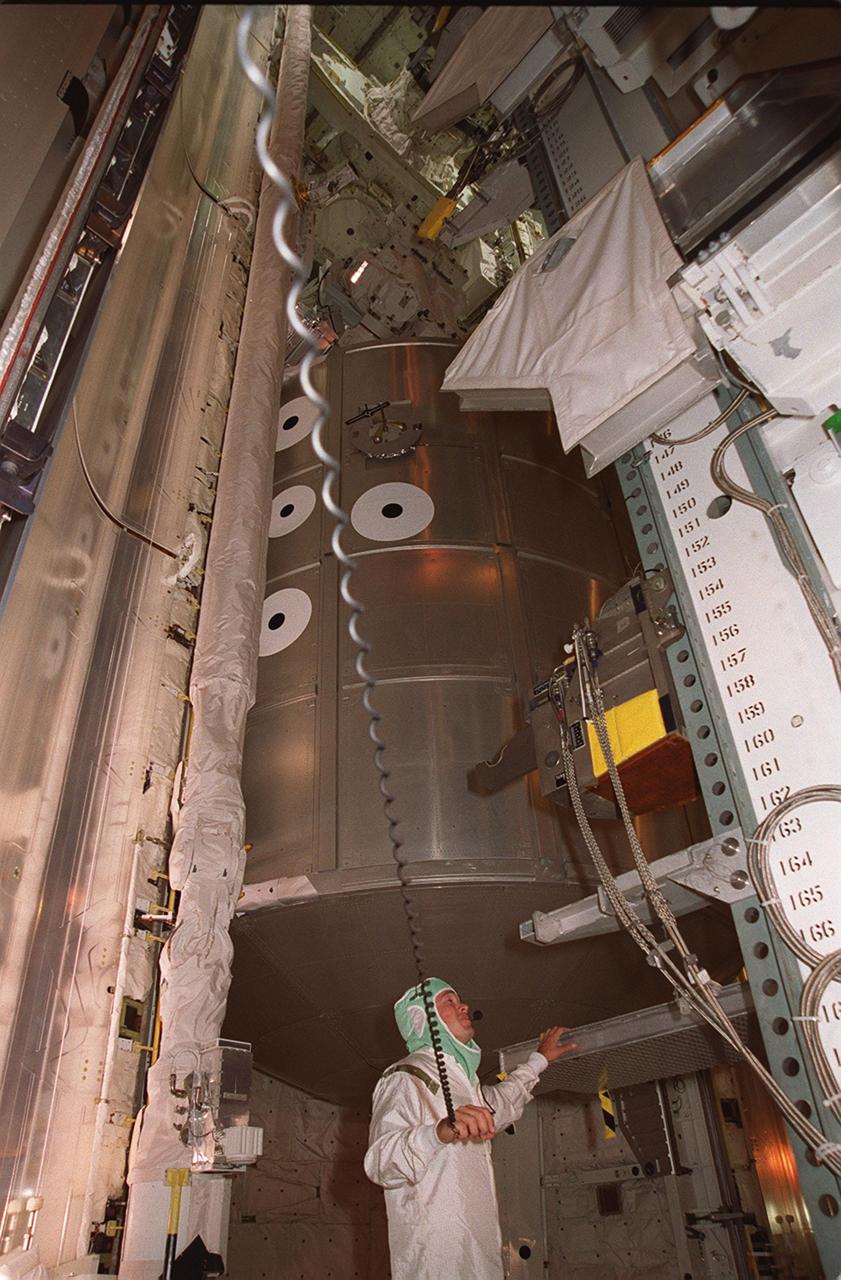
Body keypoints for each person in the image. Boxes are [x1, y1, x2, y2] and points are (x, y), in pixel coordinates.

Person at [364, 977, 576, 1279]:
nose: (463, 1005)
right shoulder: (404, 1076)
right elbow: (380, 1163)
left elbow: (502, 1102)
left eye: (459, 999)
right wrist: (439, 1132)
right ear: (423, 1019)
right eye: (448, 1001)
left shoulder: (466, 1082)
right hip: (436, 1266)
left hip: (481, 1261)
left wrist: (539, 1059)